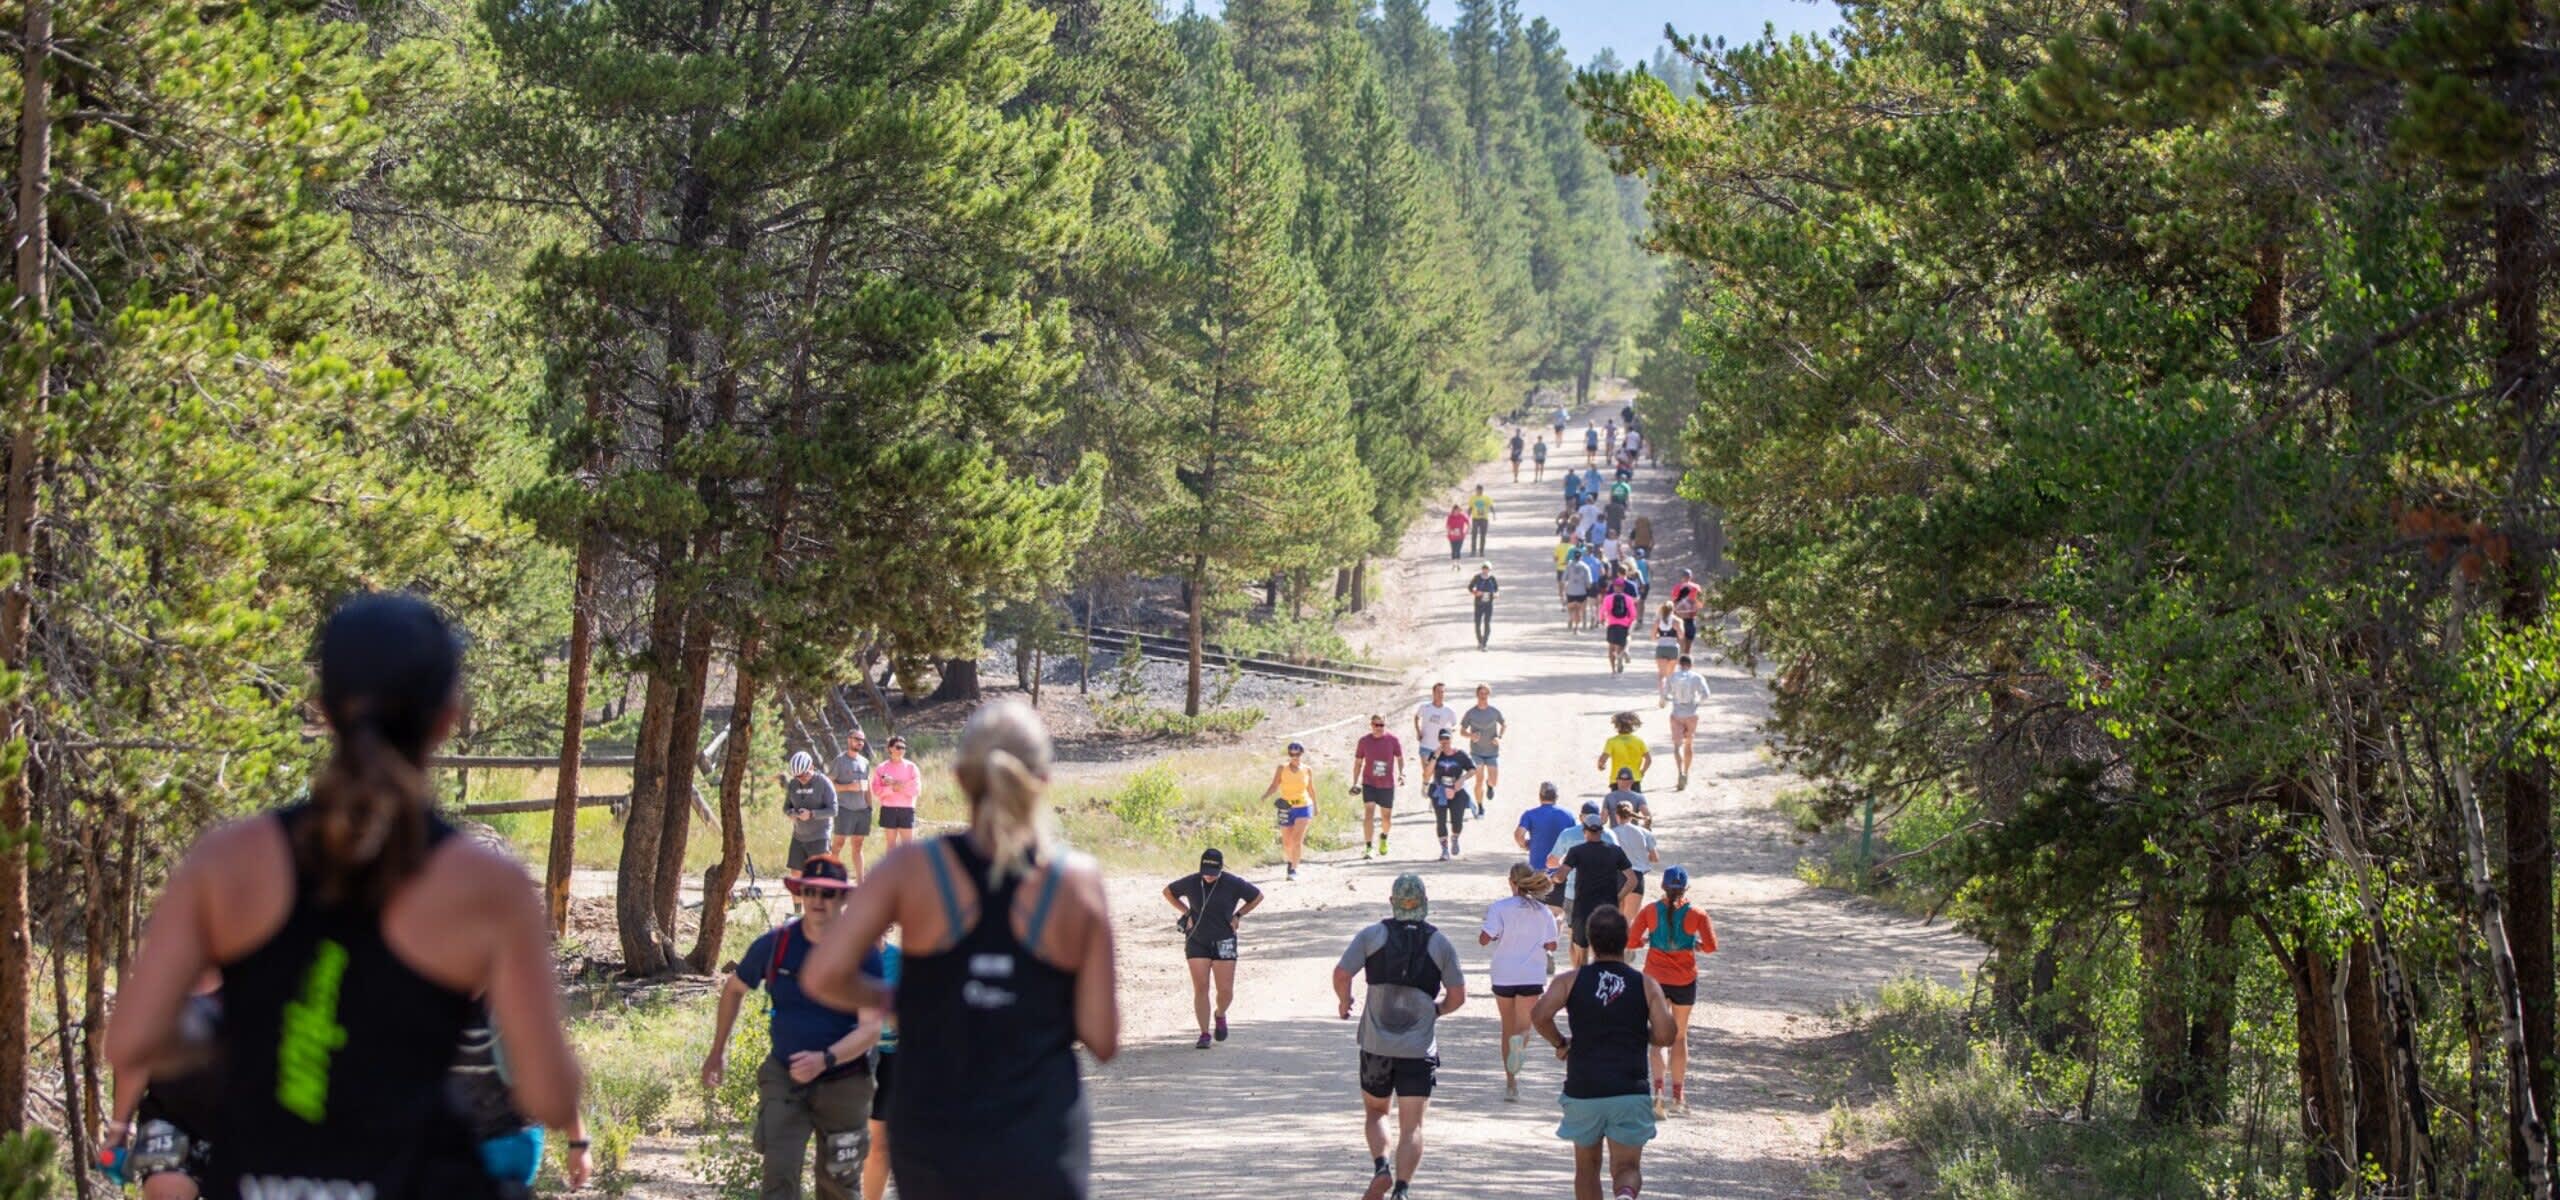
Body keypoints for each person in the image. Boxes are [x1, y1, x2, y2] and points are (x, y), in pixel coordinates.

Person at [105, 594, 582, 1200]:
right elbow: (549, 1094)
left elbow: (129, 1040)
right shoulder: (486, 884)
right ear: (448, 716)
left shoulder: (226, 859)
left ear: (323, 709)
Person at [802, 697, 1120, 1200]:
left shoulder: (912, 870)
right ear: (1044, 780)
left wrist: (903, 1000)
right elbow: (1103, 1037)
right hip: (1039, 1131)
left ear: (958, 777)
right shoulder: (1074, 881)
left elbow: (823, 974)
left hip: (934, 1130)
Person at [702, 855, 883, 1200]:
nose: (817, 900)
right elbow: (734, 989)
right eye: (810, 890)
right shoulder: (776, 944)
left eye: (828, 894)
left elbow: (871, 1029)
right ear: (800, 892)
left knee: (839, 1185)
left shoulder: (862, 953)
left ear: (842, 899)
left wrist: (825, 1059)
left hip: (845, 1082)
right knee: (779, 1177)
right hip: (784, 1076)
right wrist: (718, 1051)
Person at [1333, 875, 1466, 1200]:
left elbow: (1341, 973)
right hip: (1418, 1049)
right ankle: (1403, 1190)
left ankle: (1381, 1167)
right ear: (1424, 904)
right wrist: (1436, 1011)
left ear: (1392, 902)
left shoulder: (1372, 935)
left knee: (1377, 1112)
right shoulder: (1439, 943)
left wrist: (1345, 999)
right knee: (1413, 1126)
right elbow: (1458, 995)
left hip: (1376, 1046)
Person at [1532, 906, 1675, 1200]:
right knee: (1627, 1167)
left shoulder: (1570, 981)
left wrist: (1561, 1043)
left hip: (1584, 1088)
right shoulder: (1645, 984)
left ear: (1590, 940)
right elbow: (1666, 1035)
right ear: (1625, 940)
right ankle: (1624, 1194)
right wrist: (1641, 1032)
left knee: (1586, 1168)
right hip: (1629, 1088)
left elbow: (1540, 1015)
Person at [101, 991, 224, 1200]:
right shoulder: (163, 984)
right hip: (169, 1117)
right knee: (166, 1192)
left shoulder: (263, 977)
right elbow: (136, 1061)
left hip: (242, 1122)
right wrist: (118, 1131)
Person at [1628, 868, 1715, 1116]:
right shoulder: (1697, 914)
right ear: (1687, 888)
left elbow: (1631, 941)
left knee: (1658, 1038)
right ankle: (1678, 1096)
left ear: (1662, 887)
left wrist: (1647, 941)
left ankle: (1657, 1093)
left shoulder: (1649, 911)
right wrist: (1694, 945)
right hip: (1684, 980)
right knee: (1679, 1036)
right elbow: (1711, 946)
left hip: (1655, 980)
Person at [1165, 848, 1265, 1048]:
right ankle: (1204, 1034)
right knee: (1201, 987)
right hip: (1197, 940)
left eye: (1213, 872)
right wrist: (1186, 913)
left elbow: (1257, 896)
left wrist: (1238, 915)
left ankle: (1220, 1014)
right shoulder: (1192, 881)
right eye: (1205, 871)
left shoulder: (1232, 883)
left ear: (1221, 868)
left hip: (1224, 940)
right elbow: (1168, 892)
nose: (1209, 876)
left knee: (1225, 990)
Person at [1480, 865, 1561, 1102]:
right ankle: (1521, 1045)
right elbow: (1552, 945)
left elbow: (1484, 939)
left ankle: (1510, 1083)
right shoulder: (1543, 911)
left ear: (1510, 882)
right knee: (1524, 1025)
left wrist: (1493, 935)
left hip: (1504, 973)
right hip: (1531, 975)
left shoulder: (1500, 908)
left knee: (1507, 1026)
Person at [1554, 812, 1636, 968]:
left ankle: (1583, 987)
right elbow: (1632, 880)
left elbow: (1560, 877)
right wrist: (1618, 898)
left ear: (1584, 831)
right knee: (1607, 954)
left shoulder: (1576, 851)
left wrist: (1553, 878)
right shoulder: (1615, 851)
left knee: (1581, 955)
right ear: (1602, 831)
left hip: (1583, 909)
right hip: (1608, 909)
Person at [862, 932, 903, 1200]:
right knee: (843, 1141)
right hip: (849, 1057)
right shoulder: (844, 955)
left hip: (890, 1056)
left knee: (879, 1145)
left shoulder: (900, 960)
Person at [1258, 741, 1318, 880]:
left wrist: (1315, 805)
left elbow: (1311, 788)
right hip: (1286, 808)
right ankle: (1291, 861)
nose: (1294, 756)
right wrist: (1265, 796)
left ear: (1302, 754)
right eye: (1291, 754)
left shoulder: (1307, 769)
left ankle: (1292, 868)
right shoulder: (1282, 768)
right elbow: (1274, 785)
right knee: (1287, 842)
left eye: (1297, 754)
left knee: (1297, 840)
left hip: (1303, 807)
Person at [1515, 782, 1579, 905]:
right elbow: (1575, 839)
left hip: (1537, 871)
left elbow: (1519, 835)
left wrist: (1526, 845)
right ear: (1556, 797)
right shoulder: (1568, 815)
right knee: (1560, 910)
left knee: (1537, 909)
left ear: (1540, 796)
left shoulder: (1530, 814)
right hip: (1561, 871)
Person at [782, 751, 839, 875]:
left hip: (819, 836)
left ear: (812, 767)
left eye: (804, 775)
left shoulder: (824, 782)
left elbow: (834, 810)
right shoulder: (793, 784)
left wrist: (812, 814)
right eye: (798, 776)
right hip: (799, 836)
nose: (801, 779)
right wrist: (791, 813)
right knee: (795, 875)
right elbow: (786, 807)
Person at [1425, 730, 1478, 860]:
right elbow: (1427, 773)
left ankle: (1455, 838)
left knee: (1457, 821)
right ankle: (1444, 850)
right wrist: (1435, 757)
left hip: (1457, 791)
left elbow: (1473, 769)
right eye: (1442, 738)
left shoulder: (1460, 754)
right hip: (1439, 791)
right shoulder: (1435, 754)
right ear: (1439, 740)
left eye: (1447, 738)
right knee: (1441, 821)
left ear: (1451, 739)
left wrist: (1462, 779)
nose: (1445, 741)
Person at [830, 729, 874, 881]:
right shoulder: (839, 761)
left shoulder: (865, 762)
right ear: (849, 740)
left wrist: (870, 807)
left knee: (858, 845)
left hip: (862, 810)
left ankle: (861, 882)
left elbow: (868, 785)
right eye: (857, 739)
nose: (860, 742)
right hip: (844, 809)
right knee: (838, 844)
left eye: (862, 740)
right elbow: (829, 784)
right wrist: (848, 787)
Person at [1664, 657, 1710, 791]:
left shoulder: (1672, 676)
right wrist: (1697, 703)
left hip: (1677, 714)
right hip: (1692, 714)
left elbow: (1666, 695)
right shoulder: (1697, 677)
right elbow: (1706, 694)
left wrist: (1672, 699)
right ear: (1691, 664)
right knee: (1689, 743)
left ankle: (1680, 772)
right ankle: (1687, 772)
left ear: (1679, 664)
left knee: (1677, 745)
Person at [871, 735, 922, 855]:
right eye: (898, 747)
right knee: (891, 845)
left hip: (907, 809)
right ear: (890, 749)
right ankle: (892, 872)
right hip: (889, 809)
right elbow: (876, 789)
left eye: (904, 747)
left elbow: (916, 789)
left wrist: (898, 785)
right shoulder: (881, 768)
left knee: (908, 845)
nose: (901, 750)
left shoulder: (912, 767)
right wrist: (891, 789)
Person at [1608, 801, 1660, 910]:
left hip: (1617, 877)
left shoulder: (1611, 834)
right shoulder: (1644, 832)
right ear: (1631, 815)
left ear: (1616, 816)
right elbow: (1655, 858)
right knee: (1630, 920)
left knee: (1617, 920)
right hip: (1637, 876)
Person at [1459, 685, 1505, 805]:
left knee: (1494, 781)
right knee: (1478, 780)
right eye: (1481, 693)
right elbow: (1462, 731)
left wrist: (1498, 737)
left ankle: (1489, 786)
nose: (1483, 696)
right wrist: (1471, 736)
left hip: (1492, 752)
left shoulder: (1494, 712)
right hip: (1476, 752)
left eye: (1485, 693)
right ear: (1477, 695)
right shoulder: (1470, 713)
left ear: (1488, 695)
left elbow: (1504, 724)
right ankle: (1480, 805)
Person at [1411, 683, 1458, 793]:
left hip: (1440, 748)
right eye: (1438, 692)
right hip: (1425, 745)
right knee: (1427, 772)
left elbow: (1456, 724)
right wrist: (1418, 732)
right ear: (1433, 693)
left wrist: (1452, 729)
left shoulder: (1449, 710)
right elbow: (1416, 717)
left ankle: (1433, 798)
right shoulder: (1425, 707)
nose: (1440, 694)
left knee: (1437, 774)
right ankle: (1425, 784)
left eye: (1442, 692)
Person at [1597, 712, 1652, 791]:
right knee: (1637, 802)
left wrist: (1601, 766)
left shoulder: (1612, 741)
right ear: (1632, 726)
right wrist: (1642, 771)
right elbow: (1648, 759)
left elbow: (1602, 759)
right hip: (1634, 779)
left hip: (1616, 780)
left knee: (1616, 802)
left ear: (1617, 726)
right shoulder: (1639, 741)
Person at [1599, 586, 1641, 674]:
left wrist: (1602, 619)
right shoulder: (1629, 599)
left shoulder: (1608, 598)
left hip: (1611, 624)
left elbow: (1602, 610)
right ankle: (1621, 655)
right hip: (1624, 625)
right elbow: (1633, 614)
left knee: (1611, 648)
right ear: (1623, 588)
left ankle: (1613, 670)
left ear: (1614, 588)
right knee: (1622, 643)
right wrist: (1629, 623)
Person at [1651, 605, 1683, 703]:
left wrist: (1661, 638)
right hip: (1673, 648)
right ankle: (1667, 693)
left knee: (1661, 675)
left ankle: (1662, 695)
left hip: (1661, 648)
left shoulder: (1657, 621)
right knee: (1670, 673)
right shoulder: (1677, 621)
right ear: (1673, 610)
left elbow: (1653, 637)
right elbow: (1681, 635)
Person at [1669, 570, 1704, 656]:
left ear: (1681, 577)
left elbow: (1673, 603)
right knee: (1688, 648)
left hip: (1679, 619)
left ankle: (1680, 663)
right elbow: (1700, 605)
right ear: (1691, 577)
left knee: (1681, 645)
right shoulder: (1696, 588)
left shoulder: (1677, 587)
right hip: (1690, 619)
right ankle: (1685, 664)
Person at [1564, 549, 1597, 633]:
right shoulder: (1586, 567)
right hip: (1581, 592)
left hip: (1571, 591)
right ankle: (1579, 625)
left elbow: (1564, 579)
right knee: (1581, 609)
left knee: (1571, 608)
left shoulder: (1569, 566)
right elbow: (1589, 583)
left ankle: (1571, 618)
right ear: (1581, 557)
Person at [1468, 562, 1499, 650]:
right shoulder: (1477, 577)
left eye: (1487, 568)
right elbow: (1470, 587)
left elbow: (1497, 589)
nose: (1485, 570)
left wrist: (1496, 595)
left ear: (1490, 569)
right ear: (1482, 569)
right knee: (1477, 624)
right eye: (1484, 568)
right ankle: (1480, 641)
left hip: (1489, 604)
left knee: (1487, 623)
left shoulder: (1492, 578)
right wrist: (1475, 593)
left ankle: (1484, 643)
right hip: (1478, 604)